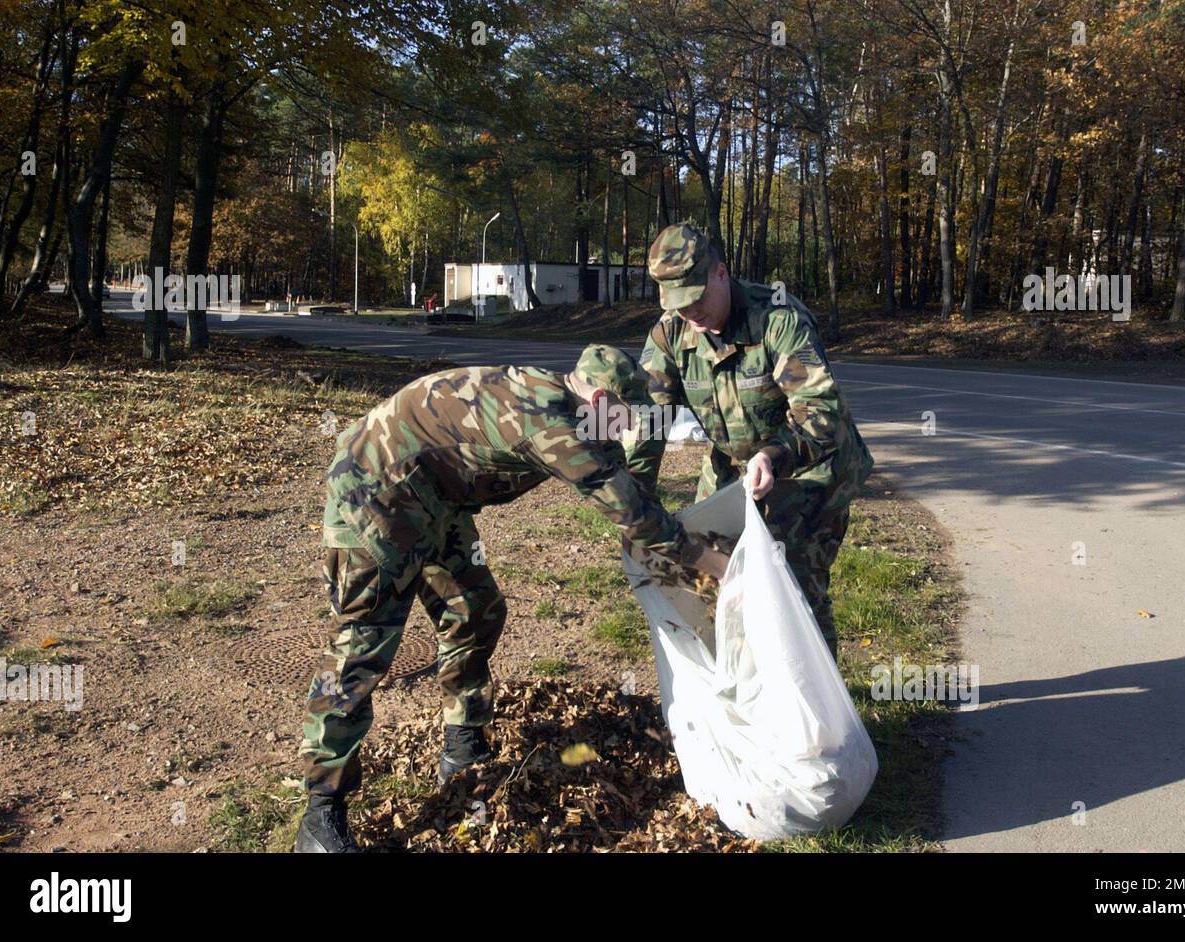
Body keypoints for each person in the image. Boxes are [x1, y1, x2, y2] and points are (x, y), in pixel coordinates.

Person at [295, 344, 728, 852]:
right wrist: (714, 563)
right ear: (602, 398)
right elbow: (621, 503)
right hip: (375, 487)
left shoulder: (573, 405)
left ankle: (462, 739)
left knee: (476, 610)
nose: (624, 431)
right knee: (362, 649)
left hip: (434, 492)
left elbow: (623, 481)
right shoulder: (548, 423)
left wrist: (661, 523)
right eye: (623, 420)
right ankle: (321, 810)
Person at [626, 222, 873, 658]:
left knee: (790, 593)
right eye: (679, 304)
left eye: (697, 297)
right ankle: (743, 699)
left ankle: (818, 719)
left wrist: (772, 455)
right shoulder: (670, 333)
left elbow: (821, 411)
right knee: (706, 577)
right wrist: (633, 499)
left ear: (721, 274)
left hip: (808, 471)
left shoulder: (778, 319)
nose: (691, 313)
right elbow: (649, 417)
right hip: (732, 473)